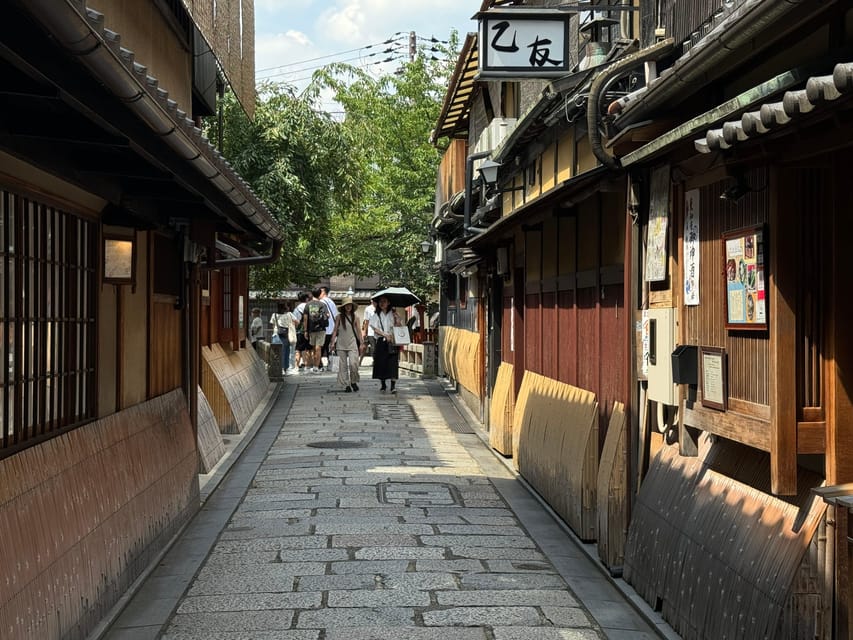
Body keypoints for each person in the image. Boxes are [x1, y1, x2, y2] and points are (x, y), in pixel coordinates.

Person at [330, 295, 364, 392]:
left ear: (352, 306)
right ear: (343, 307)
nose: (348, 307)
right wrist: (332, 342)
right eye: (346, 305)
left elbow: (358, 331)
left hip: (352, 343)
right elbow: (335, 330)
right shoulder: (339, 317)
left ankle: (353, 381)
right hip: (341, 344)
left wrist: (361, 343)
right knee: (342, 366)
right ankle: (346, 385)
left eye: (350, 305)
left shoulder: (356, 317)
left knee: (354, 364)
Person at [369, 295, 401, 393]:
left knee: (393, 363)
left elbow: (398, 326)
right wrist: (385, 335)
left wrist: (397, 319)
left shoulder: (393, 314)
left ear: (388, 303)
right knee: (381, 363)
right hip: (381, 341)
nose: (382, 303)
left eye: (384, 301)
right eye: (380, 302)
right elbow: (375, 328)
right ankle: (383, 384)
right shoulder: (376, 315)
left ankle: (393, 386)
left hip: (392, 341)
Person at [304, 290, 331, 373]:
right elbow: (328, 315)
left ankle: (310, 366)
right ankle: (316, 367)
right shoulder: (322, 304)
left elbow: (305, 318)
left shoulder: (308, 305)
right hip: (321, 329)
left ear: (312, 294)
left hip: (311, 329)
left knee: (313, 348)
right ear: (320, 295)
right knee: (318, 347)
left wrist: (305, 330)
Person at [316, 286, 339, 370]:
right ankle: (330, 364)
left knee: (320, 347)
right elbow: (337, 316)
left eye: (320, 291)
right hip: (332, 328)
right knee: (328, 346)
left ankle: (319, 364)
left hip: (324, 328)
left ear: (324, 292)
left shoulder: (321, 302)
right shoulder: (331, 302)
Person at [270, 301, 294, 374]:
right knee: (286, 352)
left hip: (276, 335)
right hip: (285, 335)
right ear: (285, 307)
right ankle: (285, 368)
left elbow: (272, 325)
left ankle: (276, 369)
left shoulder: (274, 315)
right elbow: (296, 321)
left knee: (276, 353)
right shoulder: (289, 315)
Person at [291, 291, 311, 372]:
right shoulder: (309, 306)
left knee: (298, 349)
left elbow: (295, 321)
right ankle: (307, 366)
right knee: (307, 349)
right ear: (306, 298)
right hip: (309, 331)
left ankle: (296, 366)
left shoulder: (297, 309)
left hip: (299, 331)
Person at [360, 298, 376, 365]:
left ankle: (374, 361)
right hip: (370, 331)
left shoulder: (379, 308)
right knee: (365, 347)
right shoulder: (368, 309)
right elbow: (366, 321)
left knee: (375, 347)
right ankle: (360, 361)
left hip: (378, 331)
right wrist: (364, 331)